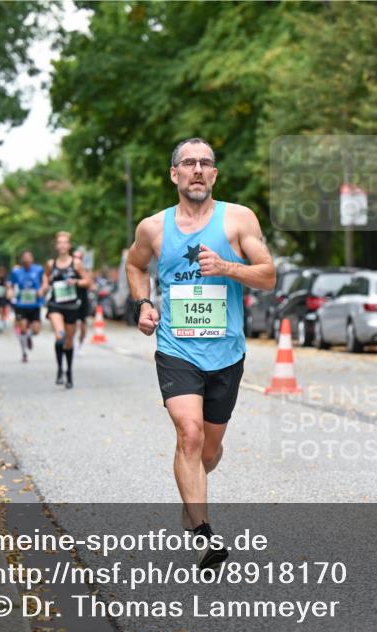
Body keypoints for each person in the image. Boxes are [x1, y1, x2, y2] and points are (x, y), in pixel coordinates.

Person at [126, 137, 275, 569]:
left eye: (205, 163)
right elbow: (134, 266)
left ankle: (191, 501)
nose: (197, 170)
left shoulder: (238, 219)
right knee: (188, 434)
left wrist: (227, 267)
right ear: (174, 174)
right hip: (176, 348)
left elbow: (268, 276)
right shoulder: (153, 227)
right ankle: (204, 534)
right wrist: (144, 304)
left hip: (226, 352)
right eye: (188, 163)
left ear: (214, 174)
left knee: (208, 452)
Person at [42, 232, 91, 388]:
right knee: (60, 336)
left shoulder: (76, 263)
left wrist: (75, 281)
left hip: (72, 306)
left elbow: (88, 281)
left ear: (69, 246)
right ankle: (59, 370)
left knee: (69, 342)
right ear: (56, 246)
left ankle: (68, 372)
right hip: (55, 304)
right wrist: (44, 285)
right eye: (59, 242)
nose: (62, 245)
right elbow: (45, 276)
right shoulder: (51, 263)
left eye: (65, 242)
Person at [7, 250, 45, 363]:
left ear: (32, 259)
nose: (27, 261)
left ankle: (29, 336)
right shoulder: (16, 272)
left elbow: (45, 282)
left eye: (29, 258)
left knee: (36, 330)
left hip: (35, 304)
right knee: (22, 328)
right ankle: (24, 353)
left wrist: (42, 290)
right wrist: (9, 291)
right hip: (21, 304)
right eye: (25, 259)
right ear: (22, 260)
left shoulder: (39, 270)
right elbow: (10, 284)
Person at [72, 248, 95, 354]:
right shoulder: (69, 269)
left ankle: (80, 344)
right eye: (75, 257)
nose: (77, 260)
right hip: (71, 299)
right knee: (71, 324)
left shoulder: (85, 270)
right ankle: (70, 342)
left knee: (82, 325)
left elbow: (91, 285)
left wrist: (77, 282)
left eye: (79, 258)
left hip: (83, 299)